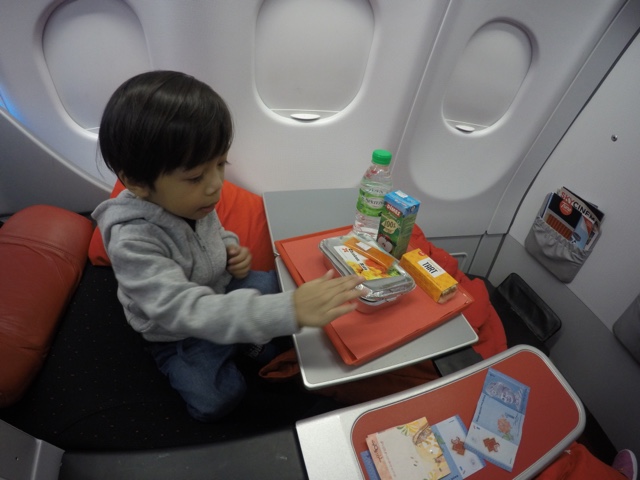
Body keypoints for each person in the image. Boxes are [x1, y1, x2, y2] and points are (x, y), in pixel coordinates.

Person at [92, 70, 364, 422]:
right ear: (136, 182)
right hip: (178, 329)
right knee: (215, 398)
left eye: (221, 164)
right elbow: (185, 310)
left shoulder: (193, 201)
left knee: (277, 282)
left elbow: (216, 234)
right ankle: (224, 346)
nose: (216, 185)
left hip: (219, 286)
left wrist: (231, 251)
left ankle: (241, 335)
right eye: (195, 176)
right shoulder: (132, 242)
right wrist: (289, 311)